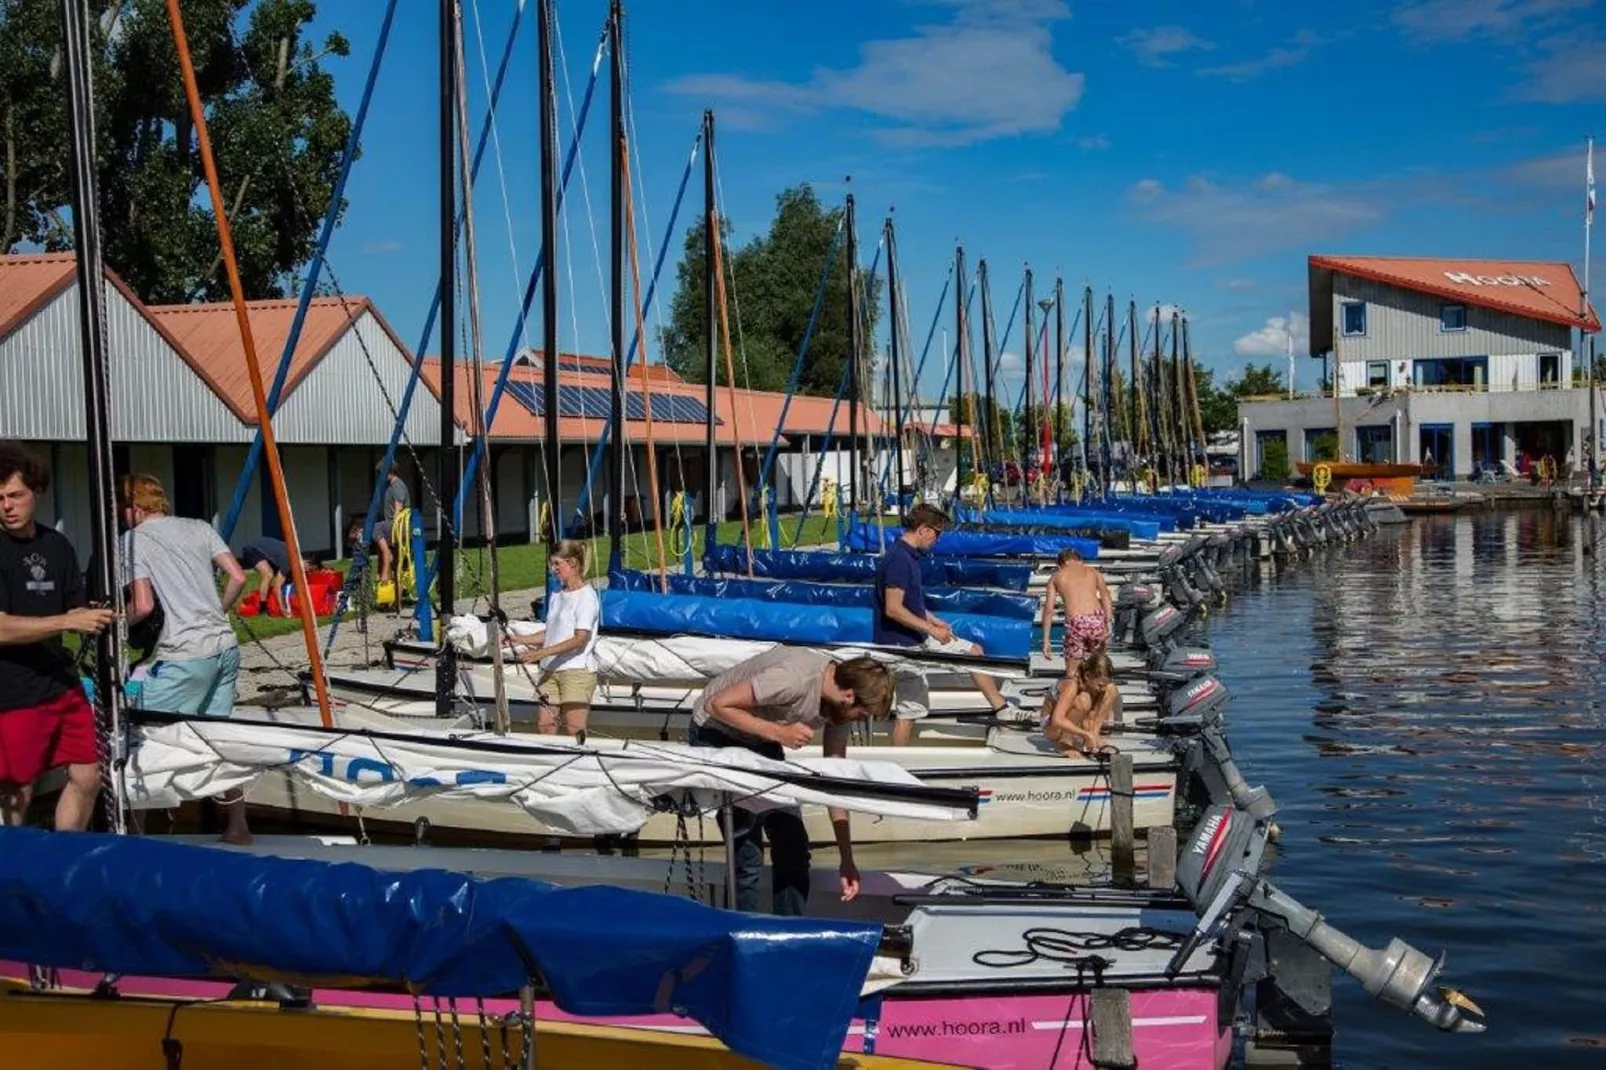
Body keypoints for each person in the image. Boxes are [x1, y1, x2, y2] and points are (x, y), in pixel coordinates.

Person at [687, 647, 894, 915]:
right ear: (849, 696)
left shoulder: (839, 706)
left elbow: (834, 781)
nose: (859, 721)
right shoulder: (793, 679)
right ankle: (741, 928)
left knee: (793, 846)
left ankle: (788, 929)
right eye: (862, 715)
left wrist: (847, 858)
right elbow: (716, 703)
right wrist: (779, 732)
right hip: (716, 730)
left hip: (762, 737)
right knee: (747, 851)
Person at [119, 474, 251, 843]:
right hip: (224, 646)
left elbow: (143, 605)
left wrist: (113, 624)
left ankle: (137, 835)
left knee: (142, 735)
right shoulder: (198, 527)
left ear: (134, 508)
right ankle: (238, 826)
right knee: (219, 738)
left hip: (184, 653)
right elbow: (238, 577)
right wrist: (216, 611)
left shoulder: (131, 541)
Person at [0, 445, 114, 830]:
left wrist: (98, 615)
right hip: (12, 689)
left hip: (60, 681)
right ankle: (12, 869)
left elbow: (75, 611)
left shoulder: (56, 545)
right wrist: (66, 622)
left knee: (88, 774)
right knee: (18, 788)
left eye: (15, 495)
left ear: (36, 492)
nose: (6, 506)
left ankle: (68, 861)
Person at [874, 503, 1008, 745]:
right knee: (910, 709)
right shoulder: (899, 559)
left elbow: (909, 603)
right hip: (903, 644)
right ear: (923, 529)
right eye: (937, 533)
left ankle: (1002, 709)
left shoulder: (907, 556)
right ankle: (897, 760)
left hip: (916, 637)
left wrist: (932, 619)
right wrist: (931, 630)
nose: (938, 539)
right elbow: (893, 608)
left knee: (973, 651)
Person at [513, 540, 600, 741]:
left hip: (576, 670)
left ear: (572, 563)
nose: (553, 570)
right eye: (552, 565)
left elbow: (580, 639)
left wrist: (542, 652)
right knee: (545, 724)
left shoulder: (586, 597)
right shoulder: (557, 596)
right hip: (550, 669)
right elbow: (552, 632)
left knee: (574, 728)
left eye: (557, 564)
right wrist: (518, 639)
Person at [1041, 548, 1113, 698]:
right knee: (1098, 666)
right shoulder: (1093, 572)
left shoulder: (1056, 576)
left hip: (1076, 622)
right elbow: (1106, 596)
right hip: (1097, 619)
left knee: (1072, 673)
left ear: (1061, 564)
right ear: (1079, 560)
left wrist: (1046, 640)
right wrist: (1108, 621)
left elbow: (1048, 610)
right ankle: (1096, 703)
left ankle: (1072, 704)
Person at [1041, 652, 1118, 757]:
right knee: (1083, 700)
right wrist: (1084, 734)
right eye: (1100, 685)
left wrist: (1090, 733)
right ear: (1087, 676)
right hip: (1051, 726)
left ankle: (1094, 735)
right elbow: (1057, 719)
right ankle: (1066, 743)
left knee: (1111, 689)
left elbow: (1105, 689)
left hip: (1075, 721)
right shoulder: (1071, 685)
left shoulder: (1098, 686)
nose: (1102, 689)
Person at [238, 535, 310, 607]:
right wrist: (282, 608)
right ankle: (263, 607)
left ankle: (260, 600)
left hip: (267, 550)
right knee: (268, 574)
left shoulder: (294, 557)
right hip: (252, 549)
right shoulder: (287, 562)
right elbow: (277, 587)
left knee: (286, 579)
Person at [376, 465, 409, 588]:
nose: (380, 476)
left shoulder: (397, 486)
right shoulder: (390, 486)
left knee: (392, 560)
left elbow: (398, 509)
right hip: (390, 526)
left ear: (390, 471)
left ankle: (394, 595)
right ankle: (389, 592)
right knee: (388, 559)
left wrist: (393, 533)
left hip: (395, 528)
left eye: (381, 473)